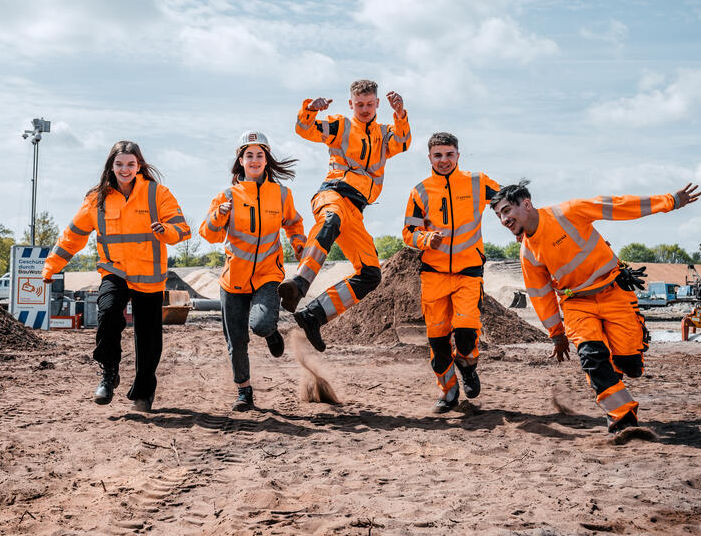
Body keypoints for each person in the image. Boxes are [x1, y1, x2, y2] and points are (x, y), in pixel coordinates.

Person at [490, 180, 701, 432]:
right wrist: (557, 334)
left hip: (614, 292)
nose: (503, 220)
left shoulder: (568, 212)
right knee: (591, 357)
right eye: (498, 216)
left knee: (630, 365)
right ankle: (623, 418)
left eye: (506, 211)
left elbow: (618, 206)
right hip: (576, 304)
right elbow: (540, 295)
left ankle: (615, 364)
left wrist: (670, 201)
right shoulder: (527, 253)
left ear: (526, 204)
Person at [43, 140, 190, 412]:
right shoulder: (97, 199)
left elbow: (182, 229)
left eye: (130, 164)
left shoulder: (157, 193)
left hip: (149, 276)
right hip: (115, 271)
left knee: (149, 338)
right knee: (108, 313)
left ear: (139, 166)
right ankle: (108, 373)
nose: (125, 169)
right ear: (111, 166)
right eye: (119, 164)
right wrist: (51, 266)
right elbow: (72, 236)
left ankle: (144, 392)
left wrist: (166, 231)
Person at [277, 79, 411, 351]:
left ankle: (314, 315)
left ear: (377, 104)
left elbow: (403, 143)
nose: (364, 109)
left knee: (371, 274)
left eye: (370, 104)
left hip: (357, 210)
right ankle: (298, 284)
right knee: (331, 220)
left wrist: (400, 115)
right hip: (334, 193)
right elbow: (305, 129)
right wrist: (310, 110)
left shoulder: (385, 133)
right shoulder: (340, 125)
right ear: (351, 104)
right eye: (359, 104)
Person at [199, 131, 306, 411]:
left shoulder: (281, 194)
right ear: (241, 160)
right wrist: (219, 215)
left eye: (260, 155)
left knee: (259, 325)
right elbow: (208, 234)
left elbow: (293, 223)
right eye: (250, 155)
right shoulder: (227, 196)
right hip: (233, 279)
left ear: (267, 159)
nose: (255, 160)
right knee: (236, 342)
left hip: (267, 274)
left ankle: (270, 331)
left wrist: (298, 242)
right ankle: (244, 391)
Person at [402, 132, 501, 413]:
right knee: (438, 342)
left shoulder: (477, 182)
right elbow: (408, 232)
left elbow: (506, 201)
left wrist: (521, 225)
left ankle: (468, 366)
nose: (444, 160)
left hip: (468, 271)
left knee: (467, 333)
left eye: (449, 154)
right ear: (430, 157)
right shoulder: (420, 191)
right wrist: (424, 239)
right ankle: (448, 392)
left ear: (458, 155)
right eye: (438, 155)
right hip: (433, 274)